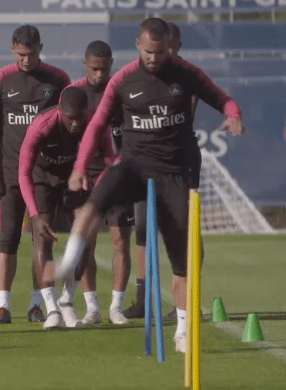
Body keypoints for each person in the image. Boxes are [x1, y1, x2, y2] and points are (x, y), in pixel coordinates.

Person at [56, 18, 245, 353]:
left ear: (168, 49)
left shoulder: (186, 73)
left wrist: (233, 115)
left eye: (161, 52)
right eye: (148, 52)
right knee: (99, 194)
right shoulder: (123, 80)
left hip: (175, 171)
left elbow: (222, 98)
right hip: (134, 164)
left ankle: (183, 330)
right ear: (138, 44)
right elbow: (97, 122)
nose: (154, 59)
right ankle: (70, 258)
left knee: (184, 258)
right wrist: (79, 166)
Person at [0, 25, 70, 324]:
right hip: (8, 174)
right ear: (12, 49)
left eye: (31, 54)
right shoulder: (0, 80)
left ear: (40, 48)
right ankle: (3, 306)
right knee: (7, 239)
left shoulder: (58, 80)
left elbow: (68, 125)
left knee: (41, 240)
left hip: (43, 174)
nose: (25, 60)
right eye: (20, 54)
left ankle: (37, 304)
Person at [18, 87, 115, 329]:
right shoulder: (42, 126)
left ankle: (66, 301)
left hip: (75, 178)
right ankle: (51, 310)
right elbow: (23, 172)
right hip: (42, 179)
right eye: (69, 117)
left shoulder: (95, 124)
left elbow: (109, 161)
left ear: (86, 113)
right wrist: (34, 215)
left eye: (78, 118)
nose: (74, 124)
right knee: (42, 241)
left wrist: (100, 192)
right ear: (60, 111)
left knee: (84, 244)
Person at [125, 22, 201, 322]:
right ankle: (144, 300)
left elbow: (183, 115)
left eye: (168, 46)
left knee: (185, 229)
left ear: (177, 45)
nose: (161, 53)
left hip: (180, 160)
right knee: (143, 229)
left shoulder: (187, 76)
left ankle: (186, 302)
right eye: (155, 48)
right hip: (147, 159)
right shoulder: (137, 76)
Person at [63, 41, 133, 326]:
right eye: (94, 69)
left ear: (112, 65)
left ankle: (116, 306)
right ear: (84, 64)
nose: (99, 74)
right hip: (86, 177)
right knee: (86, 244)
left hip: (119, 174)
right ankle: (92, 308)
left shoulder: (122, 93)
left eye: (104, 69)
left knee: (120, 242)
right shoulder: (74, 94)